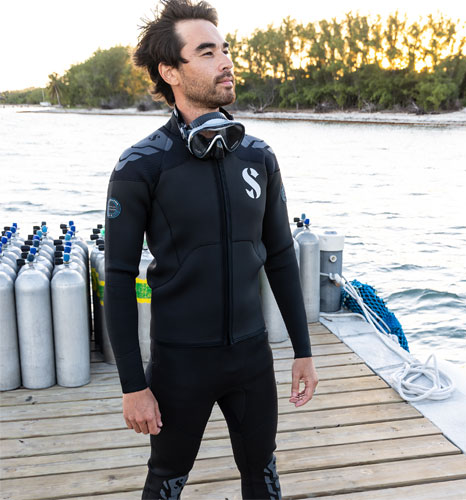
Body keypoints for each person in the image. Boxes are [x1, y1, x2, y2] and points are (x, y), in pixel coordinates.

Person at [104, 0, 319, 498]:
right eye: (206, 52)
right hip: (181, 362)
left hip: (252, 359)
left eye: (225, 49)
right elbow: (118, 276)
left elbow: (282, 257)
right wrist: (133, 386)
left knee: (262, 475)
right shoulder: (141, 165)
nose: (226, 62)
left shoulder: (258, 156)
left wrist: (303, 351)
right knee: (166, 481)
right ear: (169, 71)